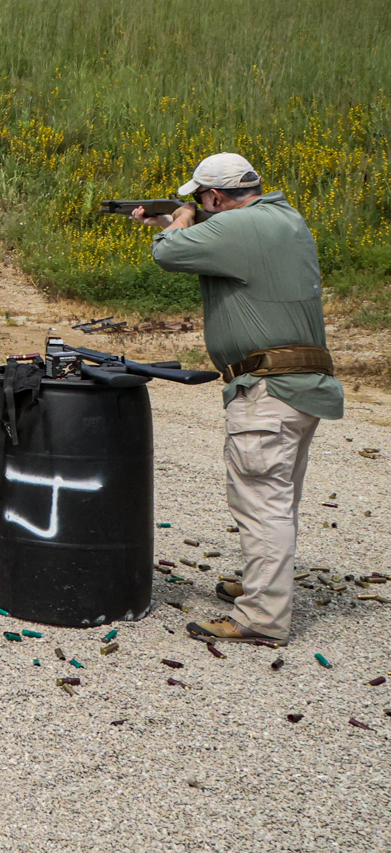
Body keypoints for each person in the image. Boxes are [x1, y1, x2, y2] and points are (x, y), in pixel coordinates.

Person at [134, 152, 342, 644]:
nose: (199, 205)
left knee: (260, 501)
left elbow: (166, 253)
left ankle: (262, 619)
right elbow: (222, 241)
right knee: (277, 497)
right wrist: (183, 220)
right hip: (302, 385)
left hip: (267, 388)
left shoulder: (238, 227)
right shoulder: (285, 220)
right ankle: (261, 586)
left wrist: (178, 222)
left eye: (201, 199)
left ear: (215, 197)